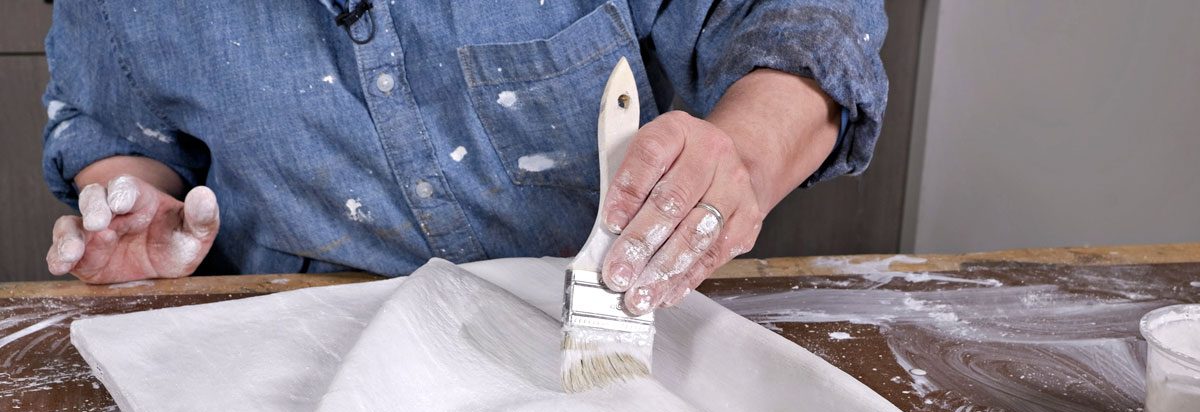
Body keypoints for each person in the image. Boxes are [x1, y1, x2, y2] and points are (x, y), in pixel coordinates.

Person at [42, 1, 887, 314]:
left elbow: (808, 20)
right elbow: (119, 130)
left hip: (618, 330)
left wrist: (739, 154)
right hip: (300, 367)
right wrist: (136, 206)